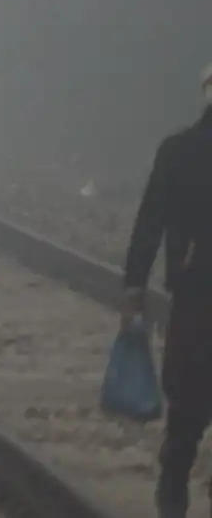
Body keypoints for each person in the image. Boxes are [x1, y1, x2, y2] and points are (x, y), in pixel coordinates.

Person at [122, 65, 212, 518]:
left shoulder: (177, 150)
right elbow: (151, 221)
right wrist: (134, 284)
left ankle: (172, 489)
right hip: (197, 300)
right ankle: (173, 487)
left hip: (194, 302)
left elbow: (148, 223)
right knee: (189, 407)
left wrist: (134, 286)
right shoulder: (179, 152)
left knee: (187, 409)